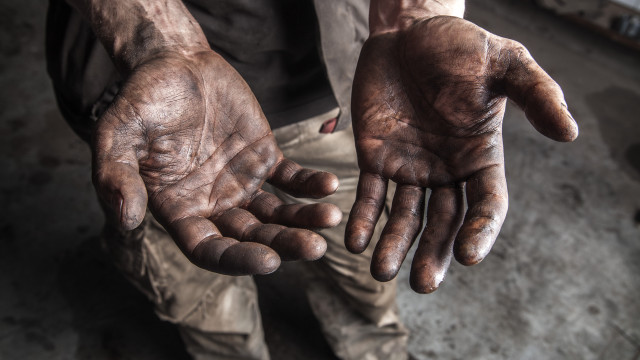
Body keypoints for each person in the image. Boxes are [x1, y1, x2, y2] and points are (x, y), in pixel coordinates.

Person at [46, 0, 579, 359]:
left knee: (366, 265)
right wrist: (162, 44)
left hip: (341, 89)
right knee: (201, 290)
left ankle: (372, 346)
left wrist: (413, 18)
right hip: (153, 104)